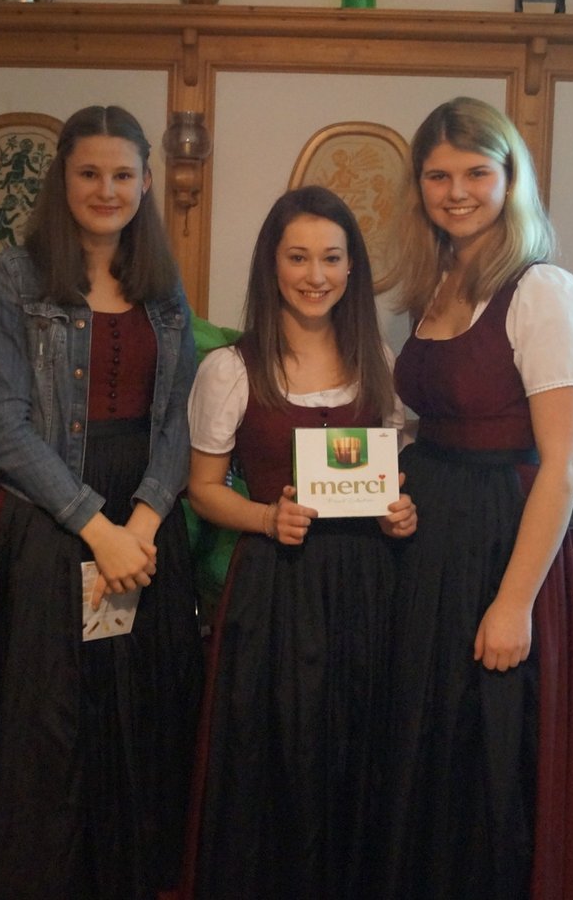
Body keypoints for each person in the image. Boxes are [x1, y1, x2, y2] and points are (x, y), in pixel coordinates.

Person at [0, 105, 202, 900]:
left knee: (142, 718)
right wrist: (98, 530)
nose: (107, 189)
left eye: (122, 174)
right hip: (51, 518)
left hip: (147, 522)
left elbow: (180, 419)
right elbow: (1, 430)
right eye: (89, 173)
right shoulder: (16, 276)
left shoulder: (163, 286)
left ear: (146, 182)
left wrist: (143, 522)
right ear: (62, 179)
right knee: (52, 729)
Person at [377, 96, 573, 899]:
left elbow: (563, 462)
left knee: (484, 749)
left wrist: (512, 604)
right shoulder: (432, 285)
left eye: (476, 172)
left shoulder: (543, 291)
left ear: (510, 180)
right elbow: (413, 424)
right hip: (425, 537)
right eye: (438, 176)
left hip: (499, 540)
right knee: (423, 739)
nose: (457, 192)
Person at [184, 185, 416, 900]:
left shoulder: (377, 359)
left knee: (359, 748)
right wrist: (264, 518)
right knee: (277, 753)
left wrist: (398, 512)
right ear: (272, 265)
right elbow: (202, 488)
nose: (316, 274)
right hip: (275, 585)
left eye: (331, 257)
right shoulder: (231, 368)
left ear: (351, 268)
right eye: (298, 257)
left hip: (369, 585)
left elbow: (392, 474)